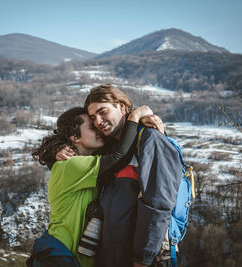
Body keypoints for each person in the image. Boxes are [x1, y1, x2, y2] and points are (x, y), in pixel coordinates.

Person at [58, 84, 182, 267]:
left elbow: (158, 203)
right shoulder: (108, 147)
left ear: (122, 107)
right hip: (113, 254)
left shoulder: (150, 139)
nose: (98, 121)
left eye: (103, 112)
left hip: (144, 260)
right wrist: (55, 150)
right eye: (93, 118)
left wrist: (143, 258)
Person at [26, 105, 157, 267]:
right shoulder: (70, 165)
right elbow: (119, 156)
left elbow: (117, 145)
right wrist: (135, 117)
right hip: (60, 255)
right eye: (91, 127)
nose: (98, 129)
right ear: (74, 136)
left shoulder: (87, 163)